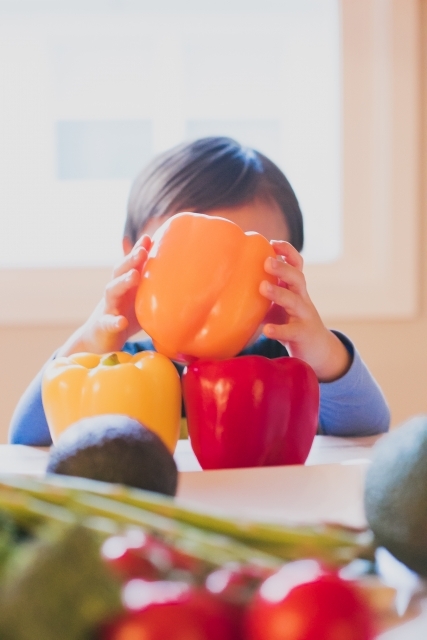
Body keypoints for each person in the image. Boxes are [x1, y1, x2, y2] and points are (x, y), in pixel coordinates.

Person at [9, 137, 390, 446]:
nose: (211, 292)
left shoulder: (282, 366)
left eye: (244, 270)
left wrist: (323, 351)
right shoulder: (117, 365)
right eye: (187, 263)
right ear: (134, 258)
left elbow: (368, 427)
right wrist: (94, 336)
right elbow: (28, 438)